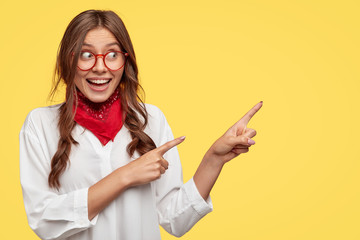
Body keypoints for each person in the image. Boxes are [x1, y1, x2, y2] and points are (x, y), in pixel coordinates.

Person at [19, 9, 262, 240]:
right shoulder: (40, 124)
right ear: (68, 61)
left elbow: (175, 219)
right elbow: (44, 220)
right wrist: (126, 175)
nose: (101, 67)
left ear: (126, 62)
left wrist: (214, 159)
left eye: (112, 55)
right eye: (86, 55)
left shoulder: (151, 120)